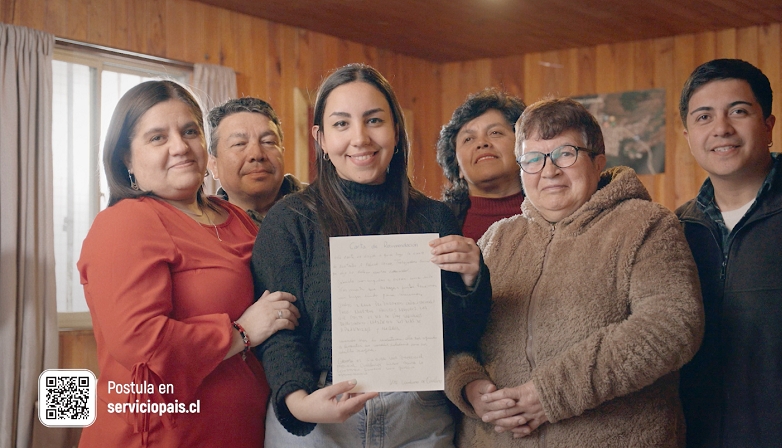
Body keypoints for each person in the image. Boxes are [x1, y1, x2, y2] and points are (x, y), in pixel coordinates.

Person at [253, 63, 492, 447]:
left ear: (396, 131)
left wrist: (472, 280)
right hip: (318, 411)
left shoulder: (434, 217)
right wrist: (299, 404)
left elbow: (460, 336)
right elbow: (279, 329)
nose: (360, 138)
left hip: (417, 412)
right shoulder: (290, 219)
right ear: (321, 138)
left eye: (374, 120)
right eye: (342, 124)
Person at [444, 97, 705, 447]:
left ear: (598, 162)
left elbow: (672, 325)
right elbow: (454, 333)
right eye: (534, 159)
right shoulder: (497, 239)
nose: (549, 171)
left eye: (565, 154)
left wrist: (549, 394)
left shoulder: (646, 224)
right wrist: (469, 385)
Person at [77, 80, 299, 447]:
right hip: (165, 435)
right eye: (157, 138)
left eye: (189, 131)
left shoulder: (235, 217)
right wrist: (240, 333)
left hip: (244, 430)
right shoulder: (127, 221)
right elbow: (140, 341)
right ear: (126, 159)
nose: (180, 147)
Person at [676, 59, 782, 447]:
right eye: (703, 117)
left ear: (768, 126)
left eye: (739, 111)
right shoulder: (674, 229)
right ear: (688, 135)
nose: (721, 129)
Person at [436, 88, 526, 241]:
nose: (482, 143)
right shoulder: (434, 222)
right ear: (457, 166)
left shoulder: (555, 211)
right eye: (468, 139)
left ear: (524, 147)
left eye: (495, 133)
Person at [207, 97, 302, 226]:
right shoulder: (204, 227)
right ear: (213, 165)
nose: (256, 154)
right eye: (239, 144)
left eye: (268, 142)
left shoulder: (325, 206)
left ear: (282, 153)